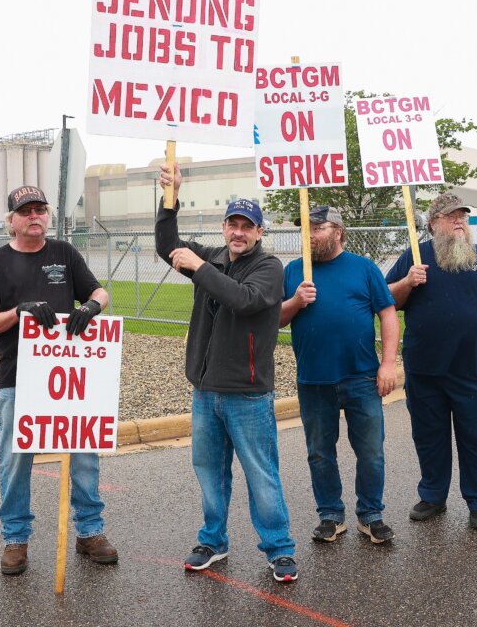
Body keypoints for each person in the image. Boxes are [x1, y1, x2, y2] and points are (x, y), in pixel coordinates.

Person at [154, 164, 298, 583]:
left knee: (261, 475)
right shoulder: (213, 257)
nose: (238, 233)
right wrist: (170, 200)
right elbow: (168, 246)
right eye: (232, 224)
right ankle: (213, 541)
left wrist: (199, 268)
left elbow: (244, 300)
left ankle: (279, 549)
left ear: (259, 232)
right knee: (210, 473)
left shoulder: (269, 267)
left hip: (248, 394)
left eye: (247, 226)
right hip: (205, 391)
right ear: (224, 227)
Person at [0, 185, 115, 576]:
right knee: (15, 462)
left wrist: (90, 307)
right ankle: (15, 538)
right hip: (17, 379)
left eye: (40, 210)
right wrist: (19, 311)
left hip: (69, 378)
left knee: (83, 456)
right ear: (12, 221)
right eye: (26, 211)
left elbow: (100, 291)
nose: (35, 216)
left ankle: (90, 531)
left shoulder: (64, 254)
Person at [385, 192, 477, 531]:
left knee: (476, 437)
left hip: (473, 368)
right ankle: (433, 496)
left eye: (463, 215)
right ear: (433, 224)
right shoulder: (416, 257)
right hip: (425, 369)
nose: (458, 220)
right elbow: (388, 301)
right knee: (430, 437)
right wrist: (408, 281)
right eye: (450, 216)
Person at [279, 205, 400, 545]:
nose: (310, 235)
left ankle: (371, 514)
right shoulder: (293, 271)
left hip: (361, 376)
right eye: (306, 228)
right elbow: (276, 318)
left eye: (316, 228)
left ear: (338, 231)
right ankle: (330, 514)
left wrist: (388, 363)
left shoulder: (363, 268)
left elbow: (388, 315)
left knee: (371, 451)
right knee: (319, 451)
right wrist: (296, 301)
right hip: (313, 378)